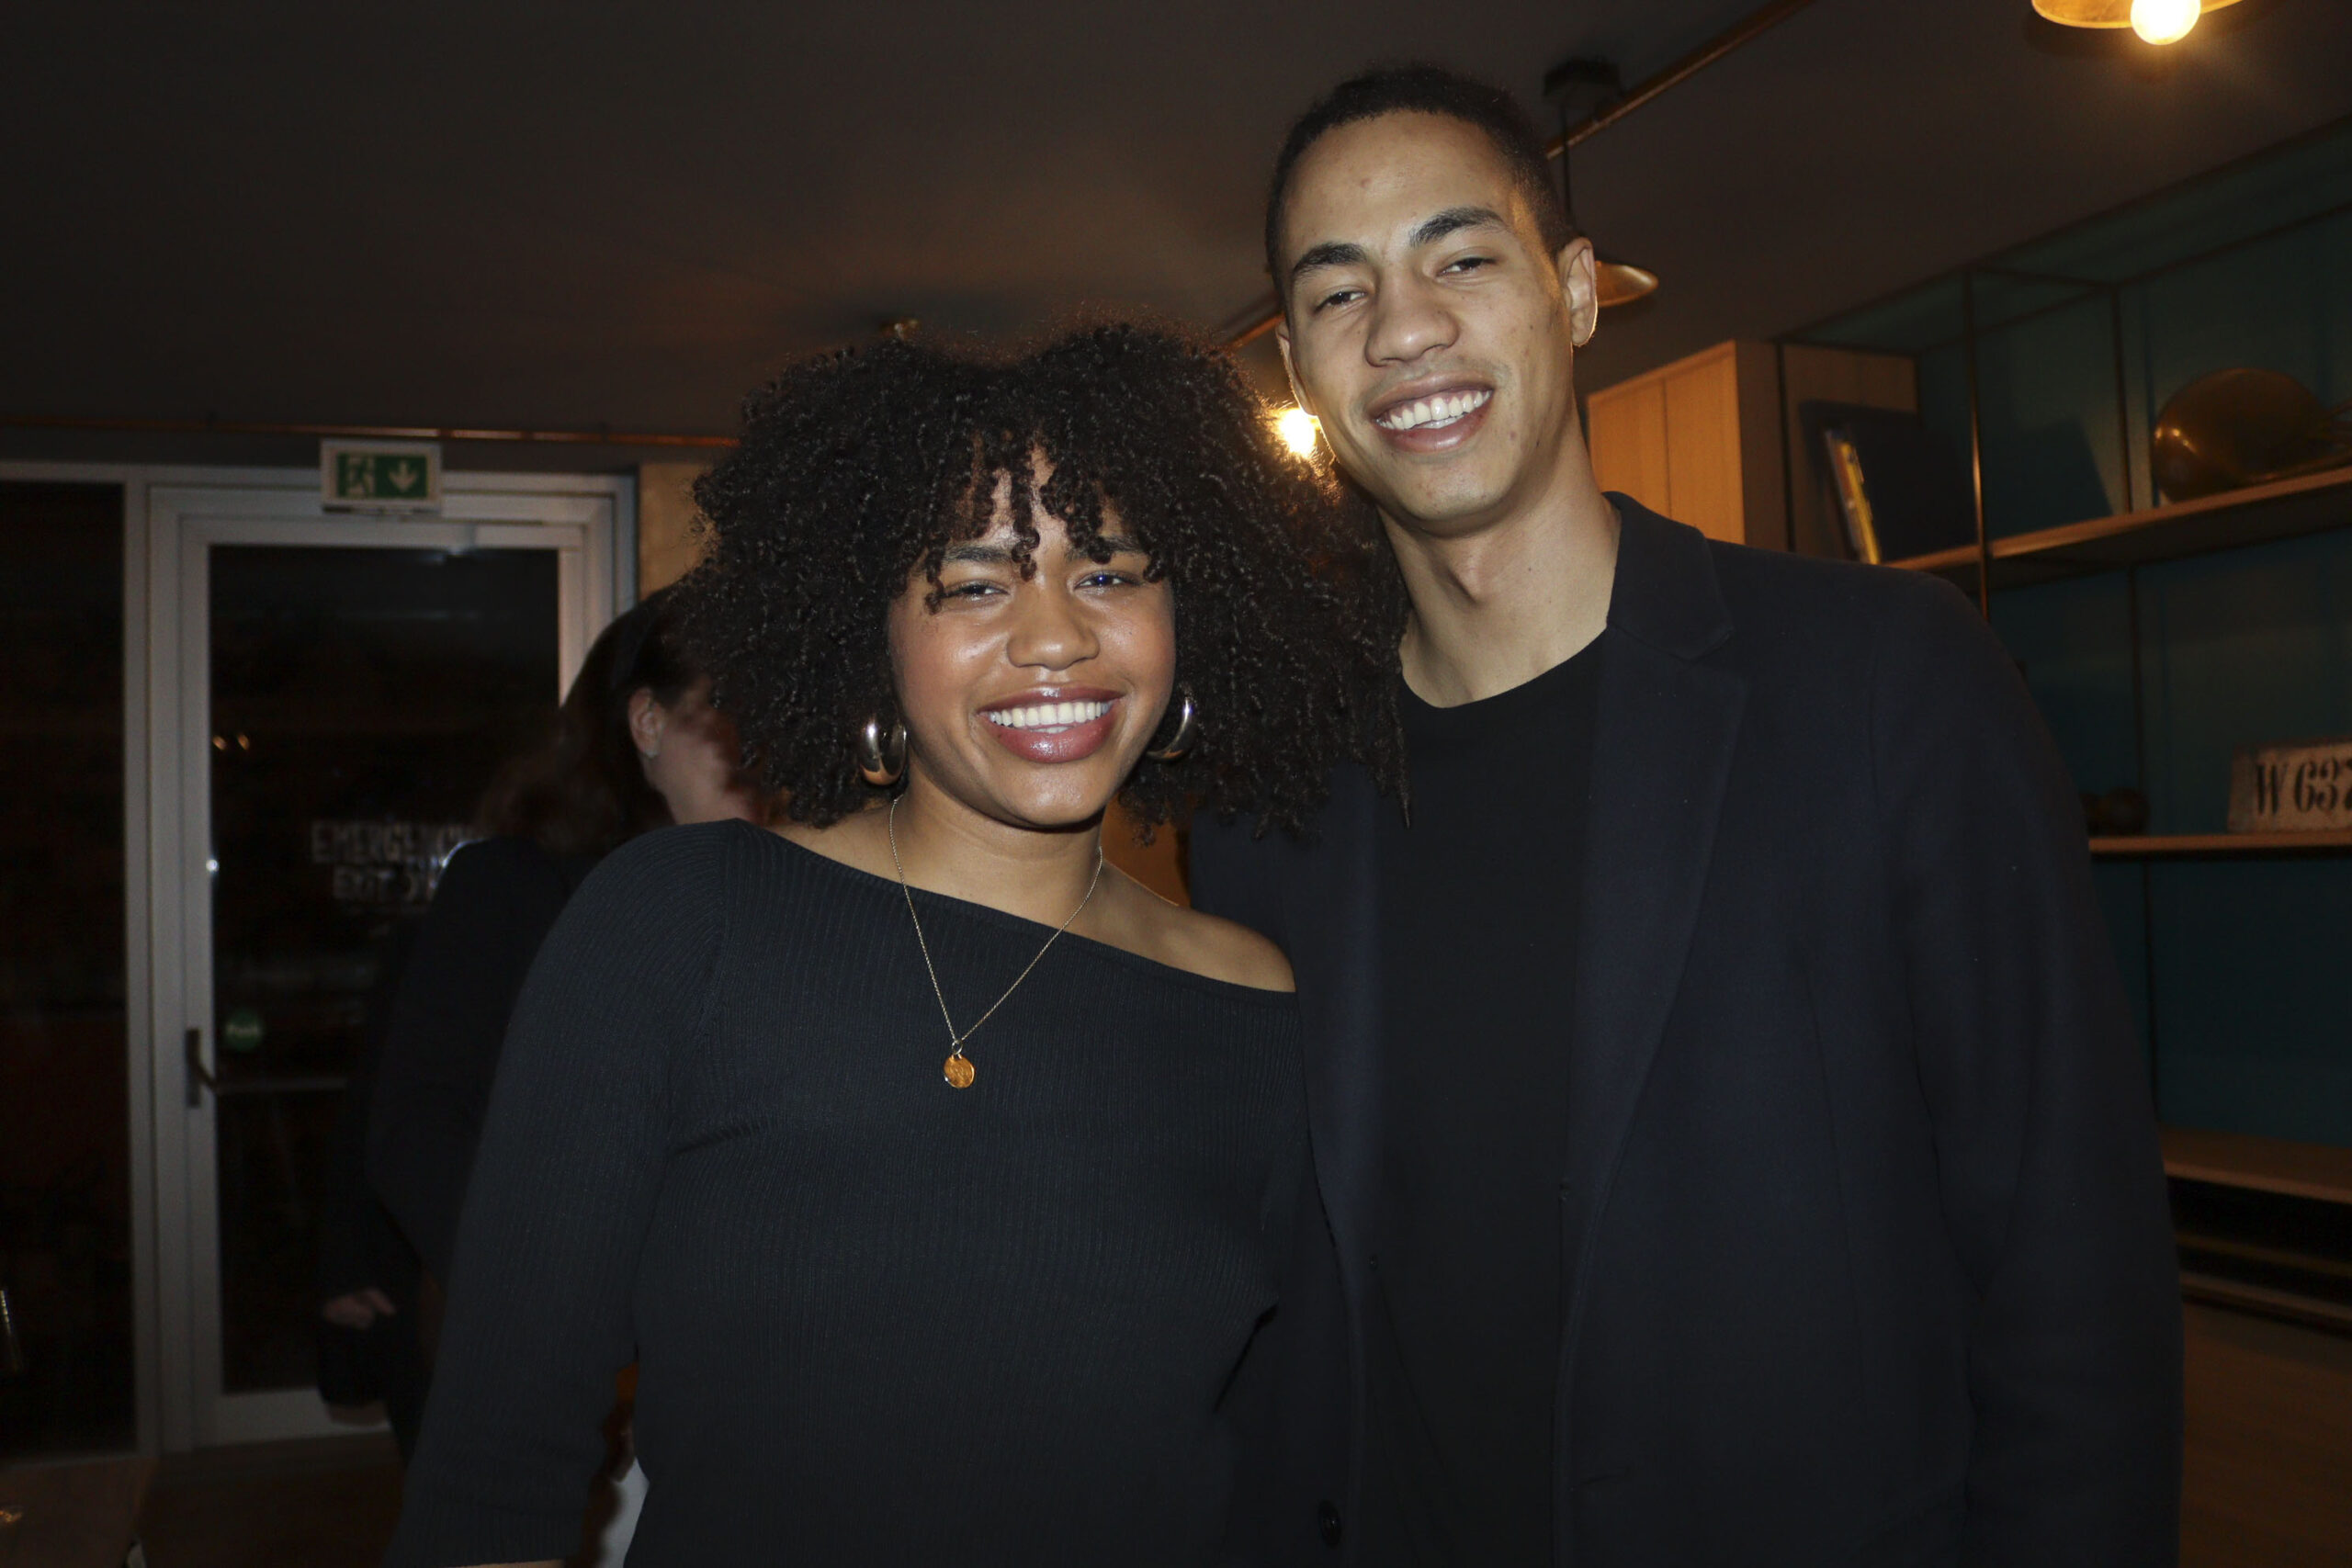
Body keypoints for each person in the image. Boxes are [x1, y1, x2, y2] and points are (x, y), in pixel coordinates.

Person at [1190, 67, 2185, 1567]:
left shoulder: (1886, 683)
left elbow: (2072, 1262)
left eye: (1463, 258)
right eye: (1340, 293)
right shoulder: (1265, 806)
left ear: (1578, 292)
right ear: (1300, 364)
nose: (1404, 330)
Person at [380, 321, 1388, 1568]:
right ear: (872, 634)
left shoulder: (1254, 999)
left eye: (1110, 573)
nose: (1055, 636)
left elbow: (1283, 1457)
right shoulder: (681, 924)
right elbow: (496, 1474)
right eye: (973, 583)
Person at [366, 587, 763, 1289]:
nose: (763, 748)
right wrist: (539, 1294)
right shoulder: (516, 887)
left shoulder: (782, 893)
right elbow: (420, 1126)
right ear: (648, 722)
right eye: (733, 707)